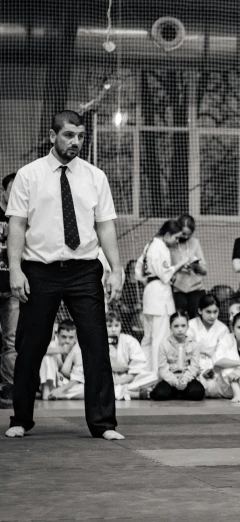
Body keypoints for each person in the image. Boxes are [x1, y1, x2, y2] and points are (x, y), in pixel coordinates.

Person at [5, 110, 124, 440]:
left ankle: (103, 423)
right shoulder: (29, 176)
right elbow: (16, 224)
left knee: (96, 345)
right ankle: (21, 418)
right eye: (69, 135)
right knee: (30, 346)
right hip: (39, 270)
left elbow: (105, 225)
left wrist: (117, 269)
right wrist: (15, 270)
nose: (76, 142)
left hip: (84, 270)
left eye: (81, 136)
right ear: (52, 135)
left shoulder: (95, 177)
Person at [138, 220, 197, 373]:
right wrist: (180, 263)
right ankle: (157, 374)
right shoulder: (161, 247)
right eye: (176, 238)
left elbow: (139, 272)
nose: (177, 241)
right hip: (159, 295)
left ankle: (144, 371)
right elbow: (165, 275)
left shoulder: (149, 245)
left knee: (148, 338)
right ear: (167, 234)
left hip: (150, 292)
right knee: (159, 338)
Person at [150, 311, 204, 401]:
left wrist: (185, 380)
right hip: (170, 379)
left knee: (198, 392)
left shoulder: (194, 345)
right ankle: (179, 393)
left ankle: (177, 393)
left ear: (188, 327)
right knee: (159, 393)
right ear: (170, 327)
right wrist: (174, 381)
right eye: (176, 326)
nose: (180, 329)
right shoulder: (164, 345)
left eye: (183, 326)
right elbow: (162, 369)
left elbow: (194, 367)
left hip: (187, 380)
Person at [106, 311, 157, 400]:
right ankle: (133, 394)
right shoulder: (99, 344)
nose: (114, 330)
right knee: (98, 385)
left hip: (130, 378)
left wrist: (119, 379)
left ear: (121, 326)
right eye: (109, 326)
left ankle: (122, 392)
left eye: (116, 325)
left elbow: (137, 367)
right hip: (110, 379)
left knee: (155, 376)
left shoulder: (129, 341)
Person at [0, 172, 19, 409]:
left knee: (12, 341)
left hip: (13, 287)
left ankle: (9, 388)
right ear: (3, 191)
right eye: (11, 188)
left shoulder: (22, 217)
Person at [188, 294, 229, 390]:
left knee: (212, 387)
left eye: (215, 312)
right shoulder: (191, 325)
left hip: (214, 369)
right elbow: (187, 350)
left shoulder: (223, 329)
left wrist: (212, 370)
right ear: (199, 311)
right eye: (208, 312)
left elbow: (221, 355)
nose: (212, 316)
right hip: (193, 367)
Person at [170, 214, 208, 319]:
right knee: (180, 319)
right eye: (183, 234)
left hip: (196, 289)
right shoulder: (171, 244)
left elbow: (204, 270)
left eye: (189, 235)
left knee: (196, 320)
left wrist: (196, 266)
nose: (186, 237)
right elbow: (165, 270)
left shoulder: (195, 243)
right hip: (178, 290)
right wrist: (179, 268)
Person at [39, 321, 77, 400]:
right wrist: (59, 350)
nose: (67, 341)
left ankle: (55, 394)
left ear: (76, 338)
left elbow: (78, 378)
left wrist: (60, 390)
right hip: (53, 381)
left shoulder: (79, 349)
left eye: (71, 337)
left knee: (86, 388)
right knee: (47, 357)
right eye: (63, 337)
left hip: (69, 383)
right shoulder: (53, 344)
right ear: (57, 336)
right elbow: (36, 350)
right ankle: (47, 392)